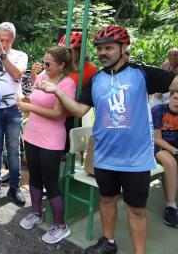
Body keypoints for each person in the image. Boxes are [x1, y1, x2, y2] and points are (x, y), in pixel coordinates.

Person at [38, 25, 178, 254]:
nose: (103, 52)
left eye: (109, 48)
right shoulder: (95, 80)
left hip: (136, 160)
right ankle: (108, 242)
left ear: (124, 48)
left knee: (136, 210)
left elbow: (174, 83)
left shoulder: (142, 73)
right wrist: (57, 92)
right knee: (106, 200)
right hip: (104, 156)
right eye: (100, 48)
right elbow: (80, 110)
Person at [17, 46, 75, 244]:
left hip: (51, 139)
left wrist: (29, 106)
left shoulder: (66, 85)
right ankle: (36, 213)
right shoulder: (42, 76)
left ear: (61, 66)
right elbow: (35, 100)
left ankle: (61, 226)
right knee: (35, 177)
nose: (44, 65)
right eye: (44, 61)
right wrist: (26, 100)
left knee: (50, 182)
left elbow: (58, 114)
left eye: (49, 63)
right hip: (32, 134)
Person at [0, 22, 27, 205]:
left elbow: (17, 74)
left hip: (13, 109)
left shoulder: (20, 55)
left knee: (13, 149)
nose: (4, 43)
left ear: (13, 39)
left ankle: (15, 186)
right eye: (1, 40)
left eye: (7, 40)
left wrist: (1, 54)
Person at [151, 91, 178, 227]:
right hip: (157, 147)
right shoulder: (158, 110)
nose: (177, 102)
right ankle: (171, 208)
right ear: (170, 98)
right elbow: (157, 139)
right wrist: (175, 150)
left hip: (175, 147)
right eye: (175, 98)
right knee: (170, 163)